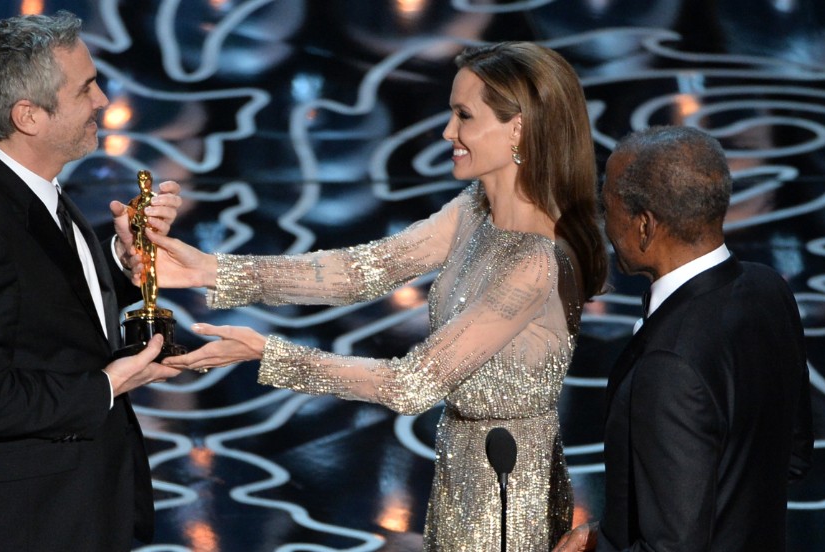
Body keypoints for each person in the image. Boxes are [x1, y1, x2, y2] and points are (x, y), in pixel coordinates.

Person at [136, 42, 608, 550]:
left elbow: (412, 385)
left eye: (463, 116)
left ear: (518, 127)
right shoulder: (475, 209)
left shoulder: (536, 260)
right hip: (465, 471)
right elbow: (360, 272)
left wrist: (265, 353)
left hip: (509, 493)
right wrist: (211, 269)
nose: (448, 132)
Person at [0, 11, 183, 551]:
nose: (103, 101)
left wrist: (126, 261)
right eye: (86, 88)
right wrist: (109, 384)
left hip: (76, 512)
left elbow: (47, 305)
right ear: (29, 116)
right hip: (24, 528)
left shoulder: (29, 191)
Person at [553, 126, 814, 552]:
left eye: (609, 205)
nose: (605, 222)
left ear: (644, 226)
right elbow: (788, 461)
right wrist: (611, 532)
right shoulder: (769, 290)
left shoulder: (668, 366)